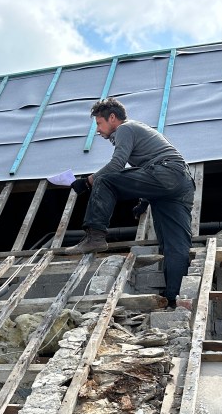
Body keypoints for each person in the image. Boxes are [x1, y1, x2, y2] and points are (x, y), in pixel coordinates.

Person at [66, 97, 194, 306]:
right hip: (182, 183)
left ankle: (95, 236)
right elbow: (148, 165)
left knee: (105, 180)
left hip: (166, 172)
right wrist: (144, 201)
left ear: (113, 118)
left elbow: (117, 164)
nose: (98, 130)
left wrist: (88, 182)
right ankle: (175, 299)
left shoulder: (125, 129)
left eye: (99, 123)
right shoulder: (140, 130)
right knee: (175, 244)